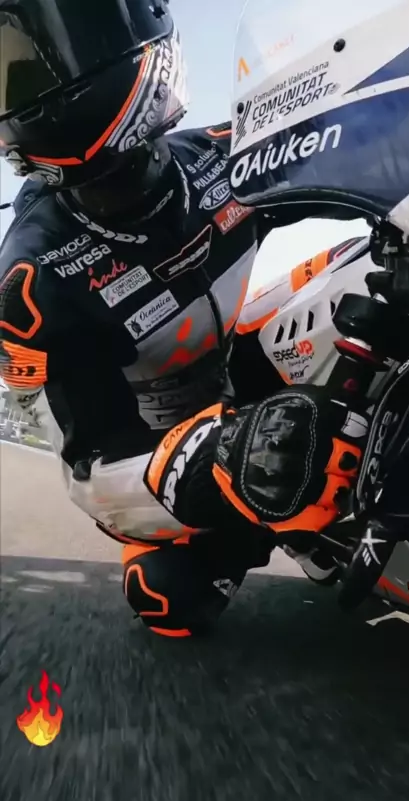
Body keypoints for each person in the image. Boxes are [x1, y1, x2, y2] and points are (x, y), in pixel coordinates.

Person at [0, 0, 368, 638]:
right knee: (167, 596)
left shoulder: (226, 153)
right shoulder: (31, 286)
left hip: (245, 356)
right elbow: (88, 470)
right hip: (164, 439)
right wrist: (218, 461)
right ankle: (282, 513)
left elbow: (369, 150)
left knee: (370, 272)